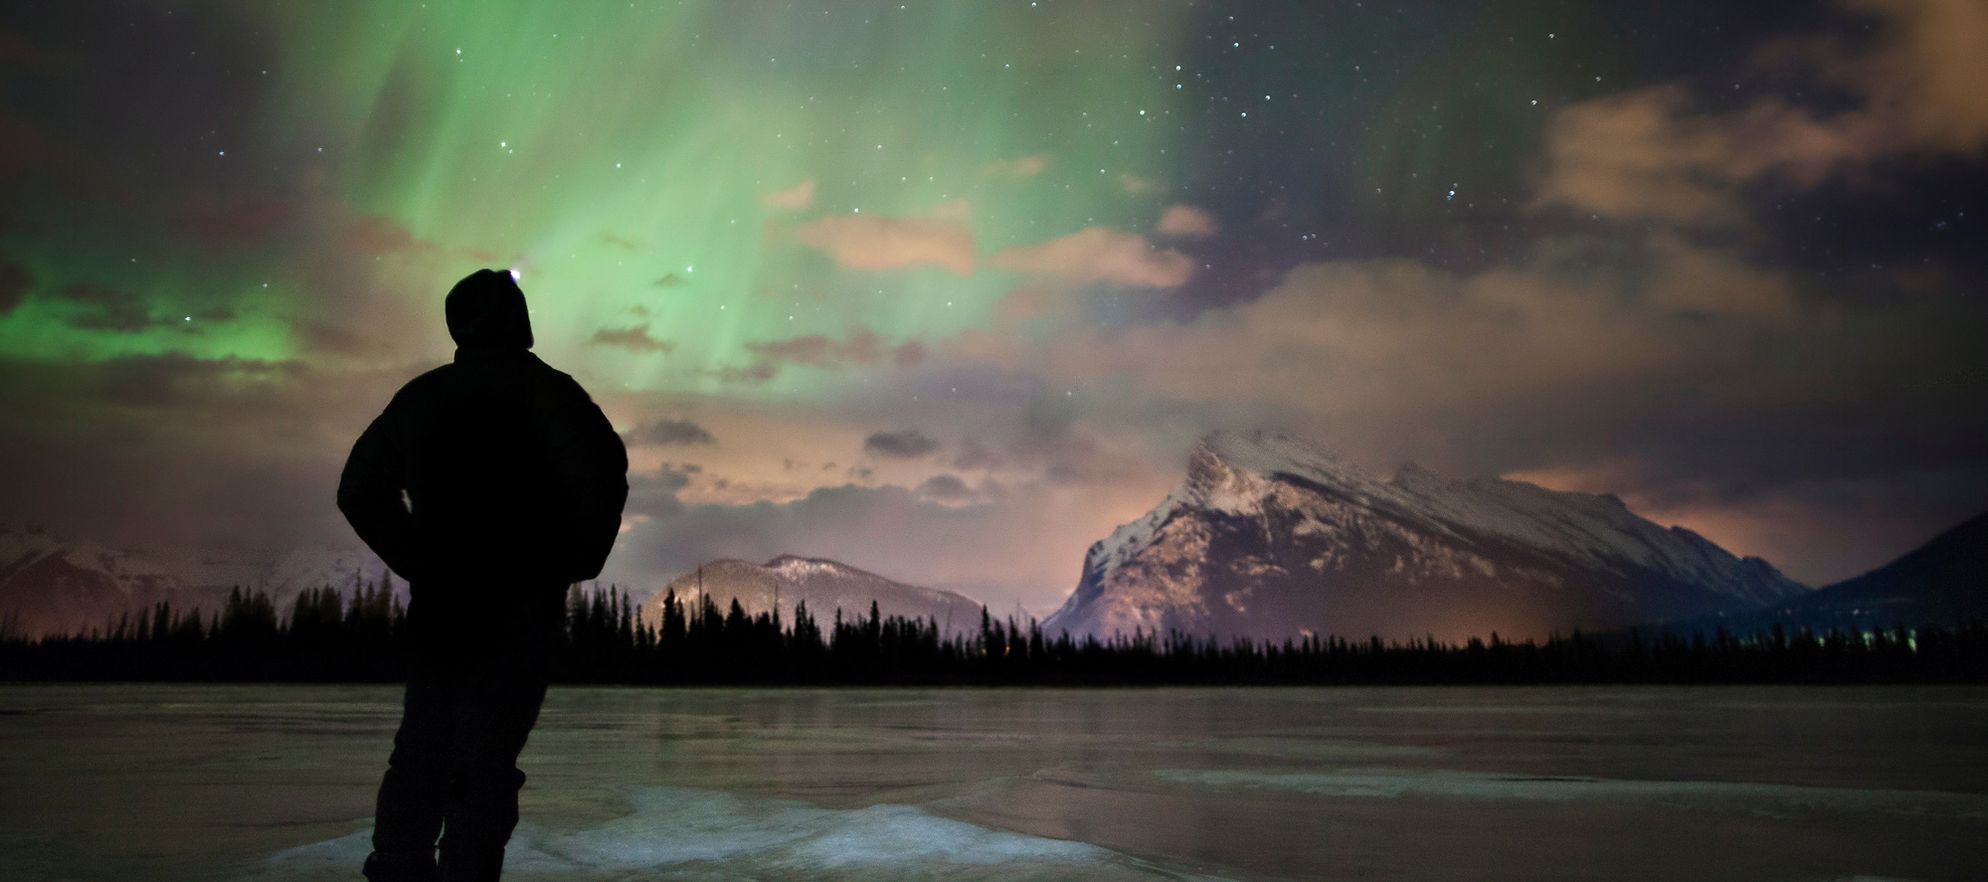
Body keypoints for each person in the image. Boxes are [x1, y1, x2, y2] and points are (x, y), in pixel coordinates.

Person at [338, 268, 629, 881]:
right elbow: (601, 476)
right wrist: (573, 560)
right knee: (485, 757)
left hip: (443, 610)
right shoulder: (551, 395)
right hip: (520, 610)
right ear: (516, 320)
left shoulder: (421, 399)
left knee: (422, 747)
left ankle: (398, 866)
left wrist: (419, 559)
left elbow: (359, 488)